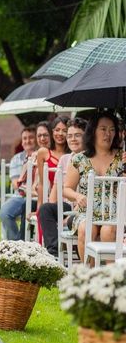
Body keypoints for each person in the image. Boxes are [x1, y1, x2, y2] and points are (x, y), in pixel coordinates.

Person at [63, 111, 124, 263]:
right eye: (103, 129)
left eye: (112, 130)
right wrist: (77, 196)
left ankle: (112, 278)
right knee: (85, 229)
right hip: (86, 212)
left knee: (108, 230)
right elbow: (66, 189)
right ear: (93, 131)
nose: (108, 134)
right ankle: (87, 276)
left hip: (114, 214)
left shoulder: (122, 157)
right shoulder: (79, 159)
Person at [38, 118, 86, 256]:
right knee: (46, 209)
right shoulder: (65, 159)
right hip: (67, 205)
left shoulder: (90, 158)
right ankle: (53, 252)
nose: (72, 139)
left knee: (68, 218)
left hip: (83, 207)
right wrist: (53, 210)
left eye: (77, 135)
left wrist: (68, 217)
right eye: (69, 136)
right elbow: (56, 188)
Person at [0, 127, 37, 240]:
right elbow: (16, 184)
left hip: (38, 197)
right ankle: (15, 242)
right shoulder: (16, 159)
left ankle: (27, 242)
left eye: (31, 138)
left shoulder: (43, 155)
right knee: (5, 212)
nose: (27, 141)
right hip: (20, 196)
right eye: (24, 138)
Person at [36, 116, 70, 210]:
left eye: (64, 130)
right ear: (52, 132)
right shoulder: (43, 153)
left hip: (70, 202)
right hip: (52, 201)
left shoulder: (73, 154)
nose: (60, 133)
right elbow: (42, 184)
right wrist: (39, 207)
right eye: (57, 130)